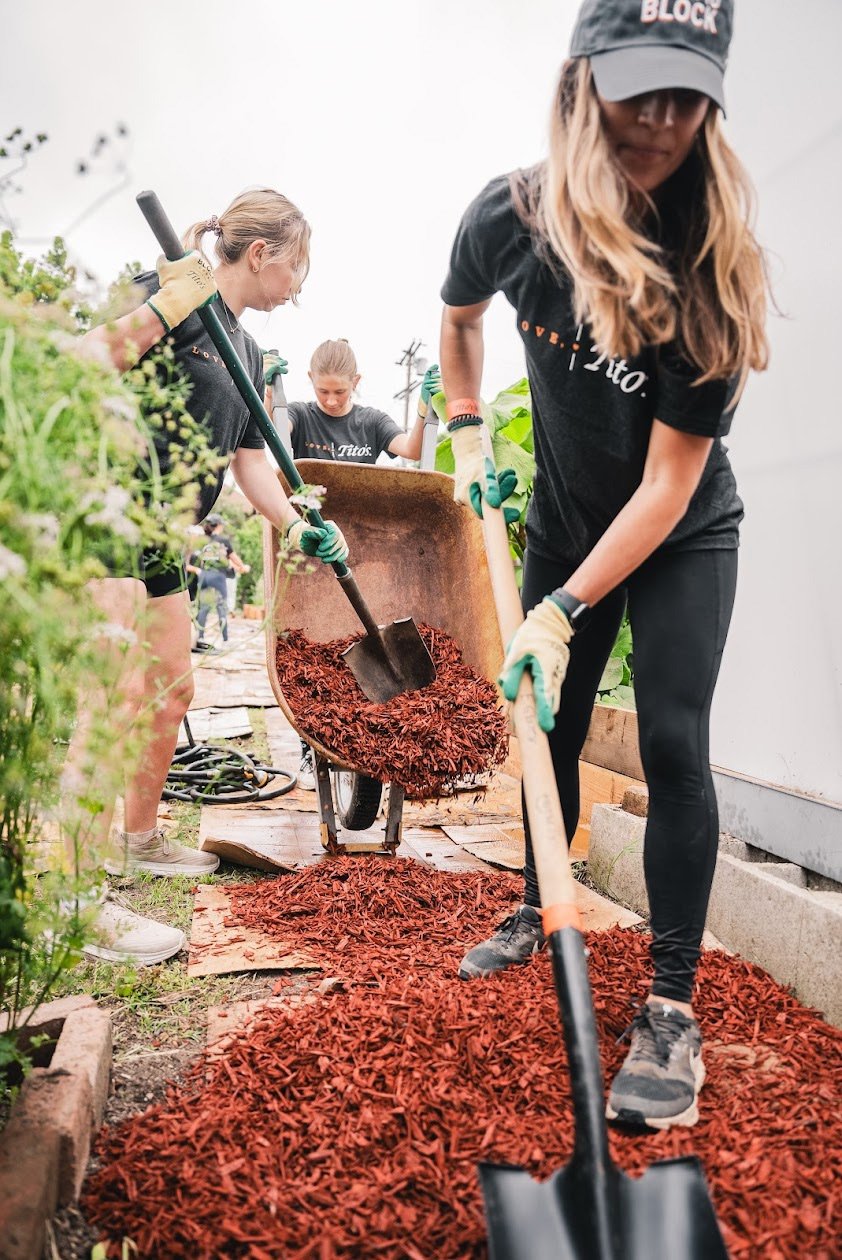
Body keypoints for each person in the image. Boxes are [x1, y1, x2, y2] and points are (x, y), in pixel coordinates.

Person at [439, 0, 768, 1131]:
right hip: (567, 515)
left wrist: (564, 606)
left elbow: (669, 486)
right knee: (552, 724)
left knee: (673, 741)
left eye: (688, 94)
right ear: (580, 79)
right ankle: (539, 905)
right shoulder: (510, 214)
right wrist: (468, 422)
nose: (661, 120)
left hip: (678, 534)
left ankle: (669, 1006)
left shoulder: (710, 268)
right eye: (637, 89)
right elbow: (457, 319)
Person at [64, 189, 349, 966]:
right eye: (299, 263)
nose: (299, 282)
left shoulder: (247, 350)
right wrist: (166, 310)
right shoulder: (165, 289)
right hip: (108, 504)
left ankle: (139, 839)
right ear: (263, 254)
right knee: (114, 694)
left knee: (170, 688)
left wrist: (297, 524)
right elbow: (84, 362)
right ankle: (76, 901)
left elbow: (251, 459)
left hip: (164, 532)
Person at [266, 338, 440, 787]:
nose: (330, 400)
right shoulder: (300, 416)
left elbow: (411, 448)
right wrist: (269, 395)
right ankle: (313, 744)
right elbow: (272, 438)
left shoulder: (371, 422)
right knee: (307, 652)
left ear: (355, 383)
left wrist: (424, 408)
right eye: (323, 390)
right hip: (309, 557)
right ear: (310, 382)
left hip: (364, 555)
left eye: (339, 392)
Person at [187, 514, 250, 650]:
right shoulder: (223, 541)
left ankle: (200, 637)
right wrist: (242, 567)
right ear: (219, 526)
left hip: (204, 576)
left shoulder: (201, 541)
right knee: (221, 608)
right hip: (218, 577)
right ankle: (225, 639)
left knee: (203, 608)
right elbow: (234, 558)